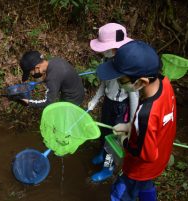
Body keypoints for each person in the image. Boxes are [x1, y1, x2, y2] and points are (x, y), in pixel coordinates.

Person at [96, 40, 176, 201]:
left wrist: (124, 139)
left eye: (121, 80)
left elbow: (145, 155)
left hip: (139, 169)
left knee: (119, 194)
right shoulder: (165, 84)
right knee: (146, 186)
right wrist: (131, 126)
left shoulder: (144, 115)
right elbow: (156, 125)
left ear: (141, 82)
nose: (118, 83)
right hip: (161, 157)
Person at [88, 23, 139, 182]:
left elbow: (134, 95)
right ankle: (101, 154)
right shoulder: (107, 59)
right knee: (104, 132)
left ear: (115, 47)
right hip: (108, 104)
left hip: (121, 107)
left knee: (113, 139)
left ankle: (108, 168)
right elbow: (104, 83)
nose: (103, 50)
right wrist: (94, 101)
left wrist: (131, 123)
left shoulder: (128, 65)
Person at [19, 50, 85, 108]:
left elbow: (48, 102)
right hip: (78, 91)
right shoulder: (55, 61)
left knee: (62, 119)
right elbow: (58, 77)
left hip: (73, 101)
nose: (33, 75)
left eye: (32, 73)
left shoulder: (52, 78)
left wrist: (28, 102)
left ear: (37, 67)